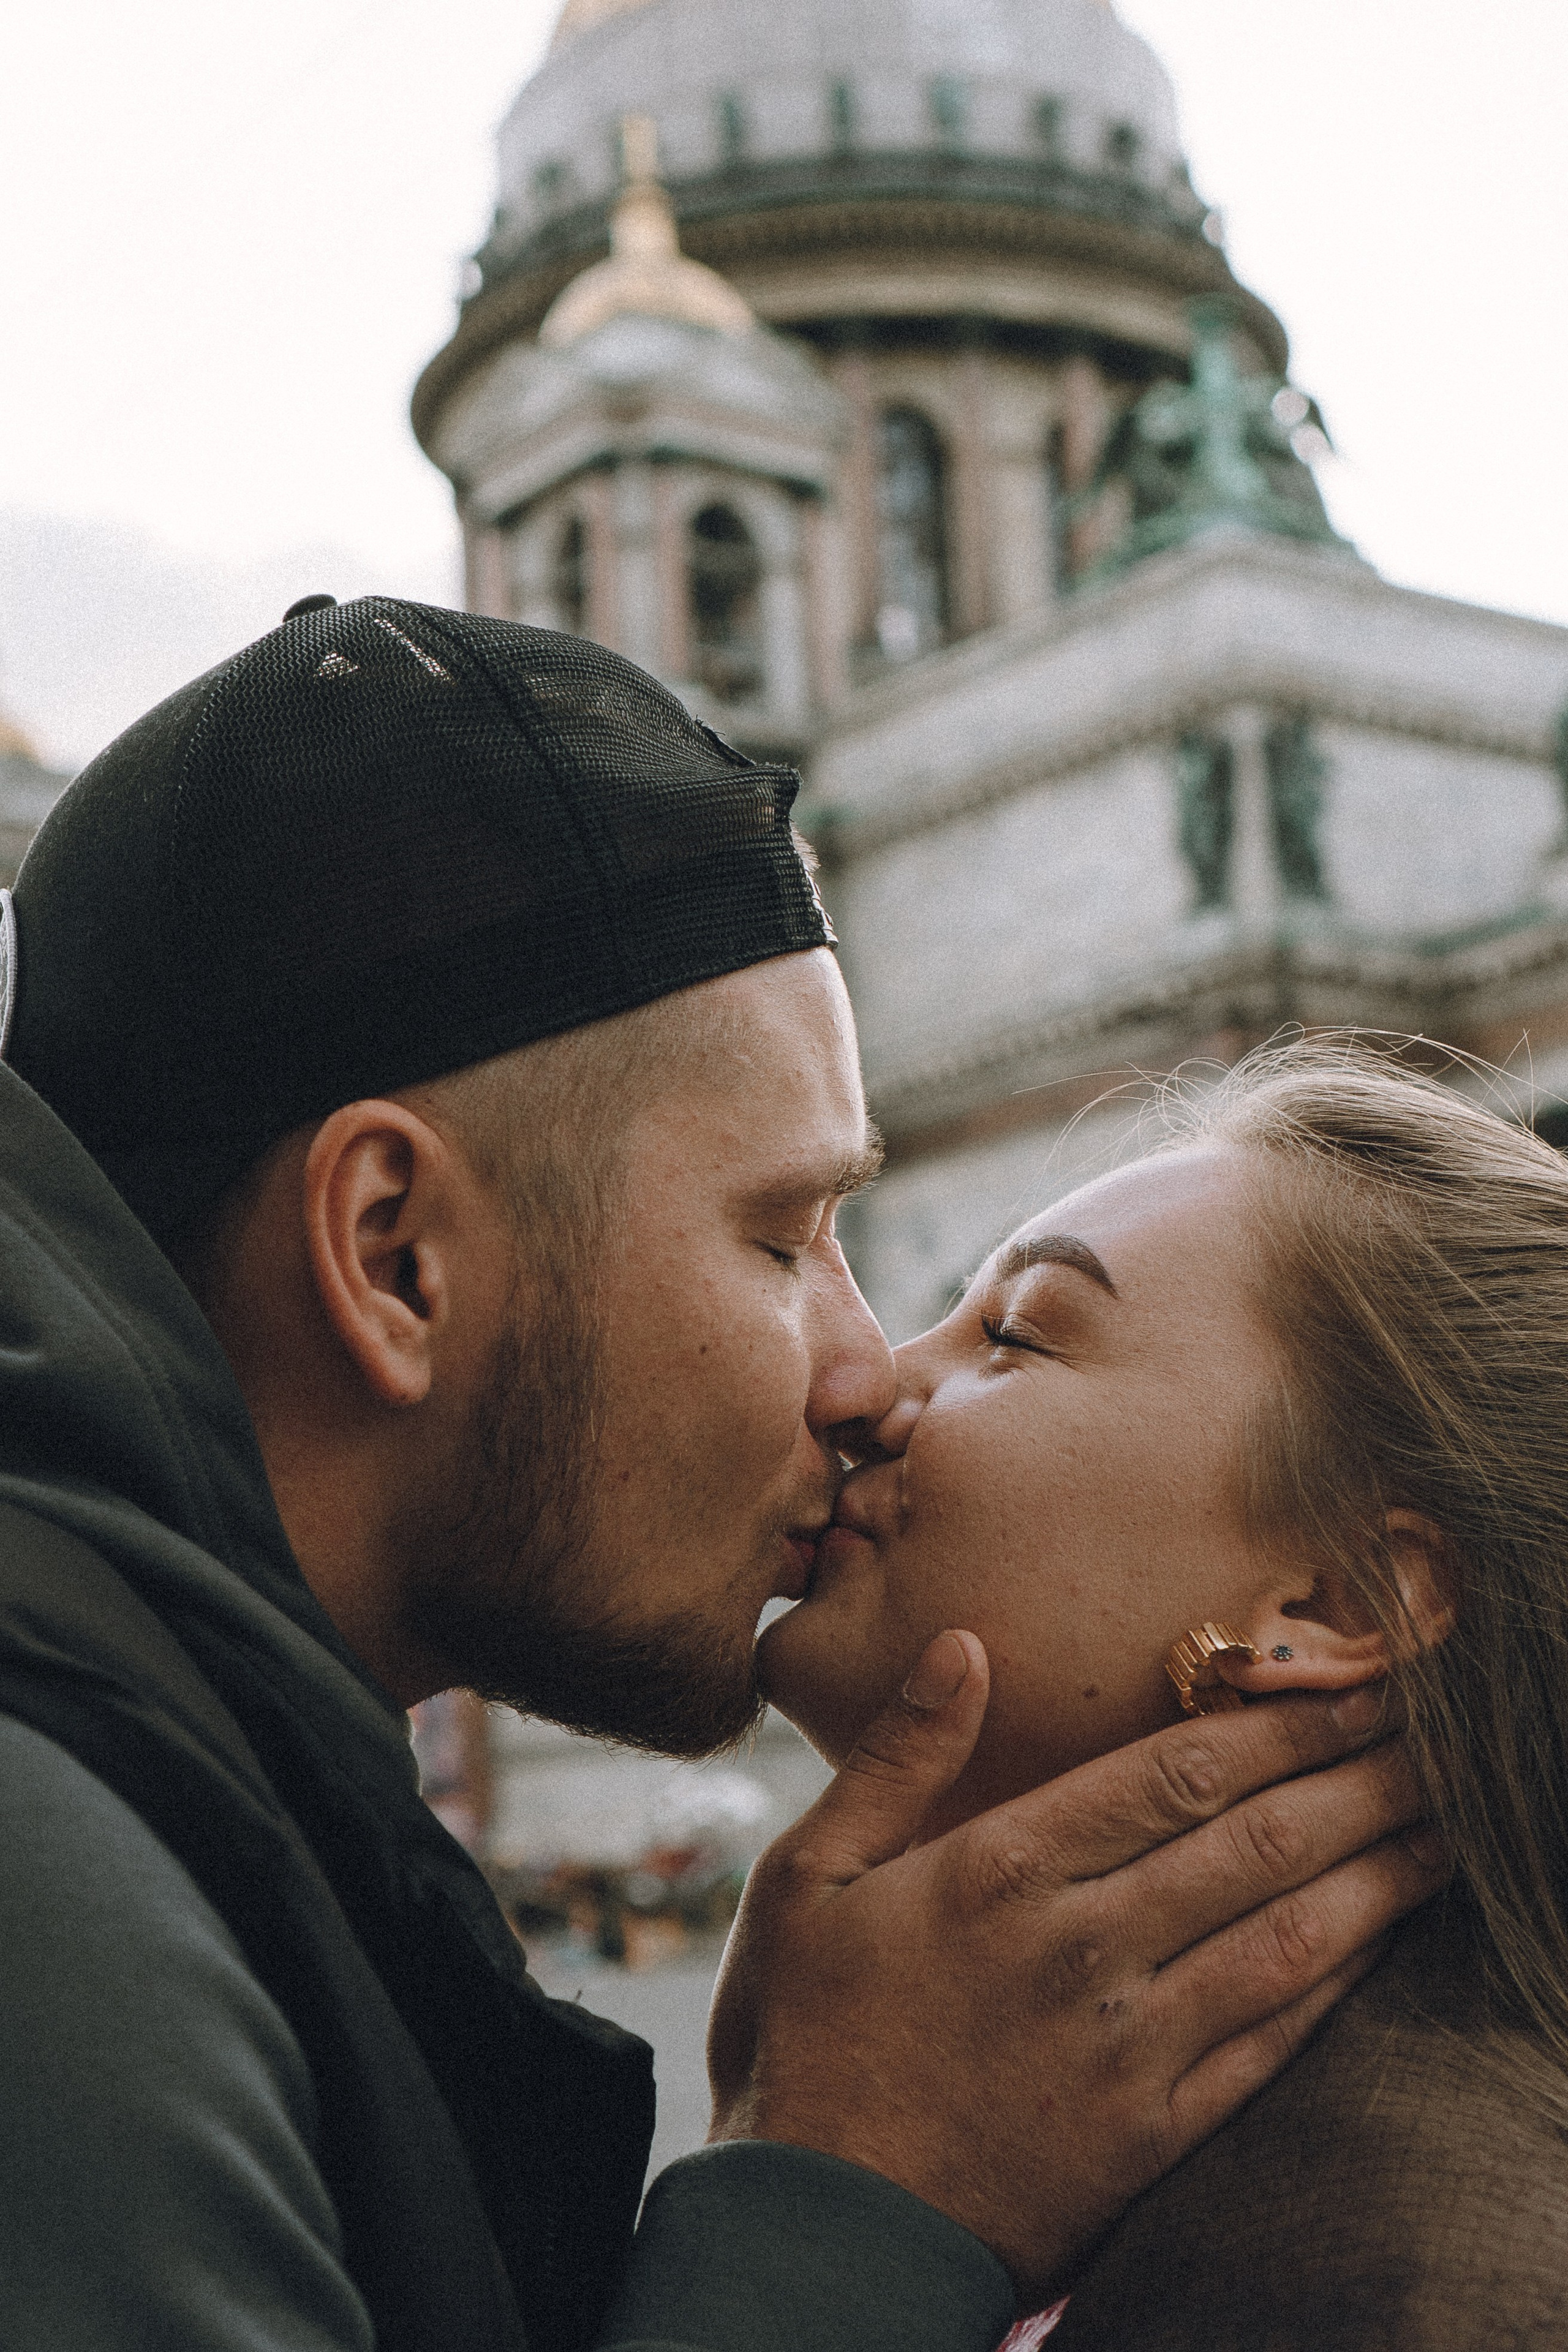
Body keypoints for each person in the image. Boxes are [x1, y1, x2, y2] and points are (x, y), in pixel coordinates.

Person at [0, 600, 1439, 2352]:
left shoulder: (192, 1772)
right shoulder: (53, 1905)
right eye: (780, 1236)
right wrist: (839, 2203)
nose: (865, 1366)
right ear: (393, 1254)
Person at [758, 1037, 1568, 2348]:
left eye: (1014, 1334)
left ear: (1337, 1605)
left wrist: (802, 2214)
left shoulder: (1376, 2293)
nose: (856, 1383)